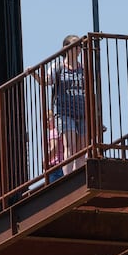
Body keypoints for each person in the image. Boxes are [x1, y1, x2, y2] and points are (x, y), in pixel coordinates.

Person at [42, 35, 87, 182]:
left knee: (82, 149)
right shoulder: (58, 67)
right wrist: (35, 74)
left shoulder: (83, 68)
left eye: (79, 45)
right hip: (64, 111)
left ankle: (79, 177)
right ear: (66, 48)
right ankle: (68, 179)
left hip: (81, 111)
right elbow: (46, 81)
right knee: (70, 145)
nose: (78, 48)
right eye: (74, 45)